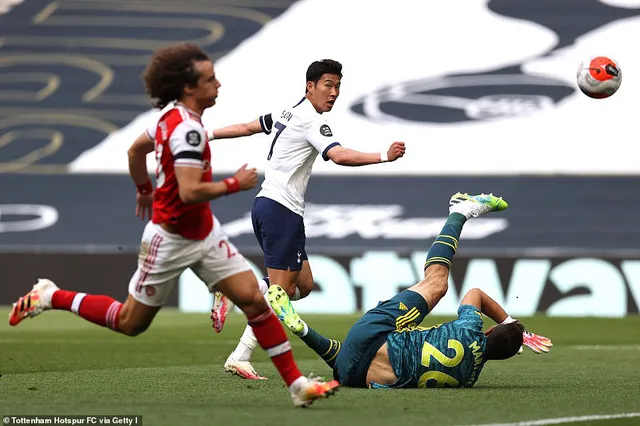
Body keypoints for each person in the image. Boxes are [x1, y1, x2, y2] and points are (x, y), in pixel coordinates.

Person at [8, 43, 339, 407]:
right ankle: (50, 295)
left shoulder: (172, 119)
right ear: (189, 88)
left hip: (205, 234)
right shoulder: (187, 131)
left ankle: (297, 387)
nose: (219, 84)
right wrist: (235, 184)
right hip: (170, 238)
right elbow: (190, 191)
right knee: (129, 322)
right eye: (210, 79)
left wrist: (143, 189)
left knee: (259, 304)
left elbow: (135, 150)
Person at [206, 59, 407, 380]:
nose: (334, 93)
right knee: (280, 295)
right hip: (280, 210)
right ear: (309, 86)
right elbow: (339, 155)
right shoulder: (312, 121)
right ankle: (240, 355)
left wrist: (208, 134)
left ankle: (236, 291)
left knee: (304, 285)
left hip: (272, 208)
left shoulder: (287, 113)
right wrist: (384, 155)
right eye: (328, 85)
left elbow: (246, 128)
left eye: (338, 86)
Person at [266, 192, 553, 388]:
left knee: (438, 284)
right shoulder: (469, 379)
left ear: (488, 331)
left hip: (377, 333)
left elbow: (475, 293)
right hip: (357, 375)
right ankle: (303, 330)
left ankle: (460, 211)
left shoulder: (471, 327)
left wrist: (511, 324)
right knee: (349, 360)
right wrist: (510, 338)